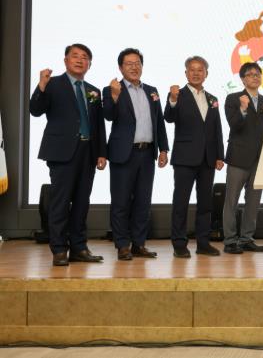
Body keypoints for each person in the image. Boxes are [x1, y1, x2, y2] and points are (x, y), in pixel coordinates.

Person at [29, 43, 107, 266]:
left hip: (88, 152)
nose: (80, 60)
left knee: (82, 203)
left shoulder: (93, 90)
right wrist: (41, 86)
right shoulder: (52, 84)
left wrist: (101, 152)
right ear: (66, 60)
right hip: (62, 152)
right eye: (75, 56)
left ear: (89, 64)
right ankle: (59, 249)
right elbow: (35, 110)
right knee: (60, 203)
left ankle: (79, 248)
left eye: (85, 57)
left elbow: (98, 125)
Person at [102, 48, 169, 261]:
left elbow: (159, 122)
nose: (134, 67)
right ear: (120, 67)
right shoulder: (112, 89)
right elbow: (108, 116)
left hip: (147, 153)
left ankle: (139, 244)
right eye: (129, 63)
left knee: (143, 202)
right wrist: (114, 96)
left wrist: (163, 149)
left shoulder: (152, 91)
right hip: (123, 154)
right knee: (121, 202)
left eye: (137, 63)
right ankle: (122, 245)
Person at [165, 56, 225, 258]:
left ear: (206, 74)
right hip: (184, 158)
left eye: (200, 70)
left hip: (208, 158)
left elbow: (217, 129)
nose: (196, 73)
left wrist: (219, 155)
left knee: (205, 204)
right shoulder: (177, 94)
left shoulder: (213, 99)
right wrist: (173, 99)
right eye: (192, 69)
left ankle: (203, 243)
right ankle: (179, 244)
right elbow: (169, 117)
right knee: (180, 202)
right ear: (186, 73)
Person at [222, 62, 263, 254]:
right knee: (231, 201)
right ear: (243, 79)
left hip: (260, 159)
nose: (255, 77)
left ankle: (246, 239)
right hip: (239, 158)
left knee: (253, 201)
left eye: (257, 74)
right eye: (250, 74)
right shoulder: (233, 98)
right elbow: (234, 125)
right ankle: (230, 241)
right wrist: (243, 109)